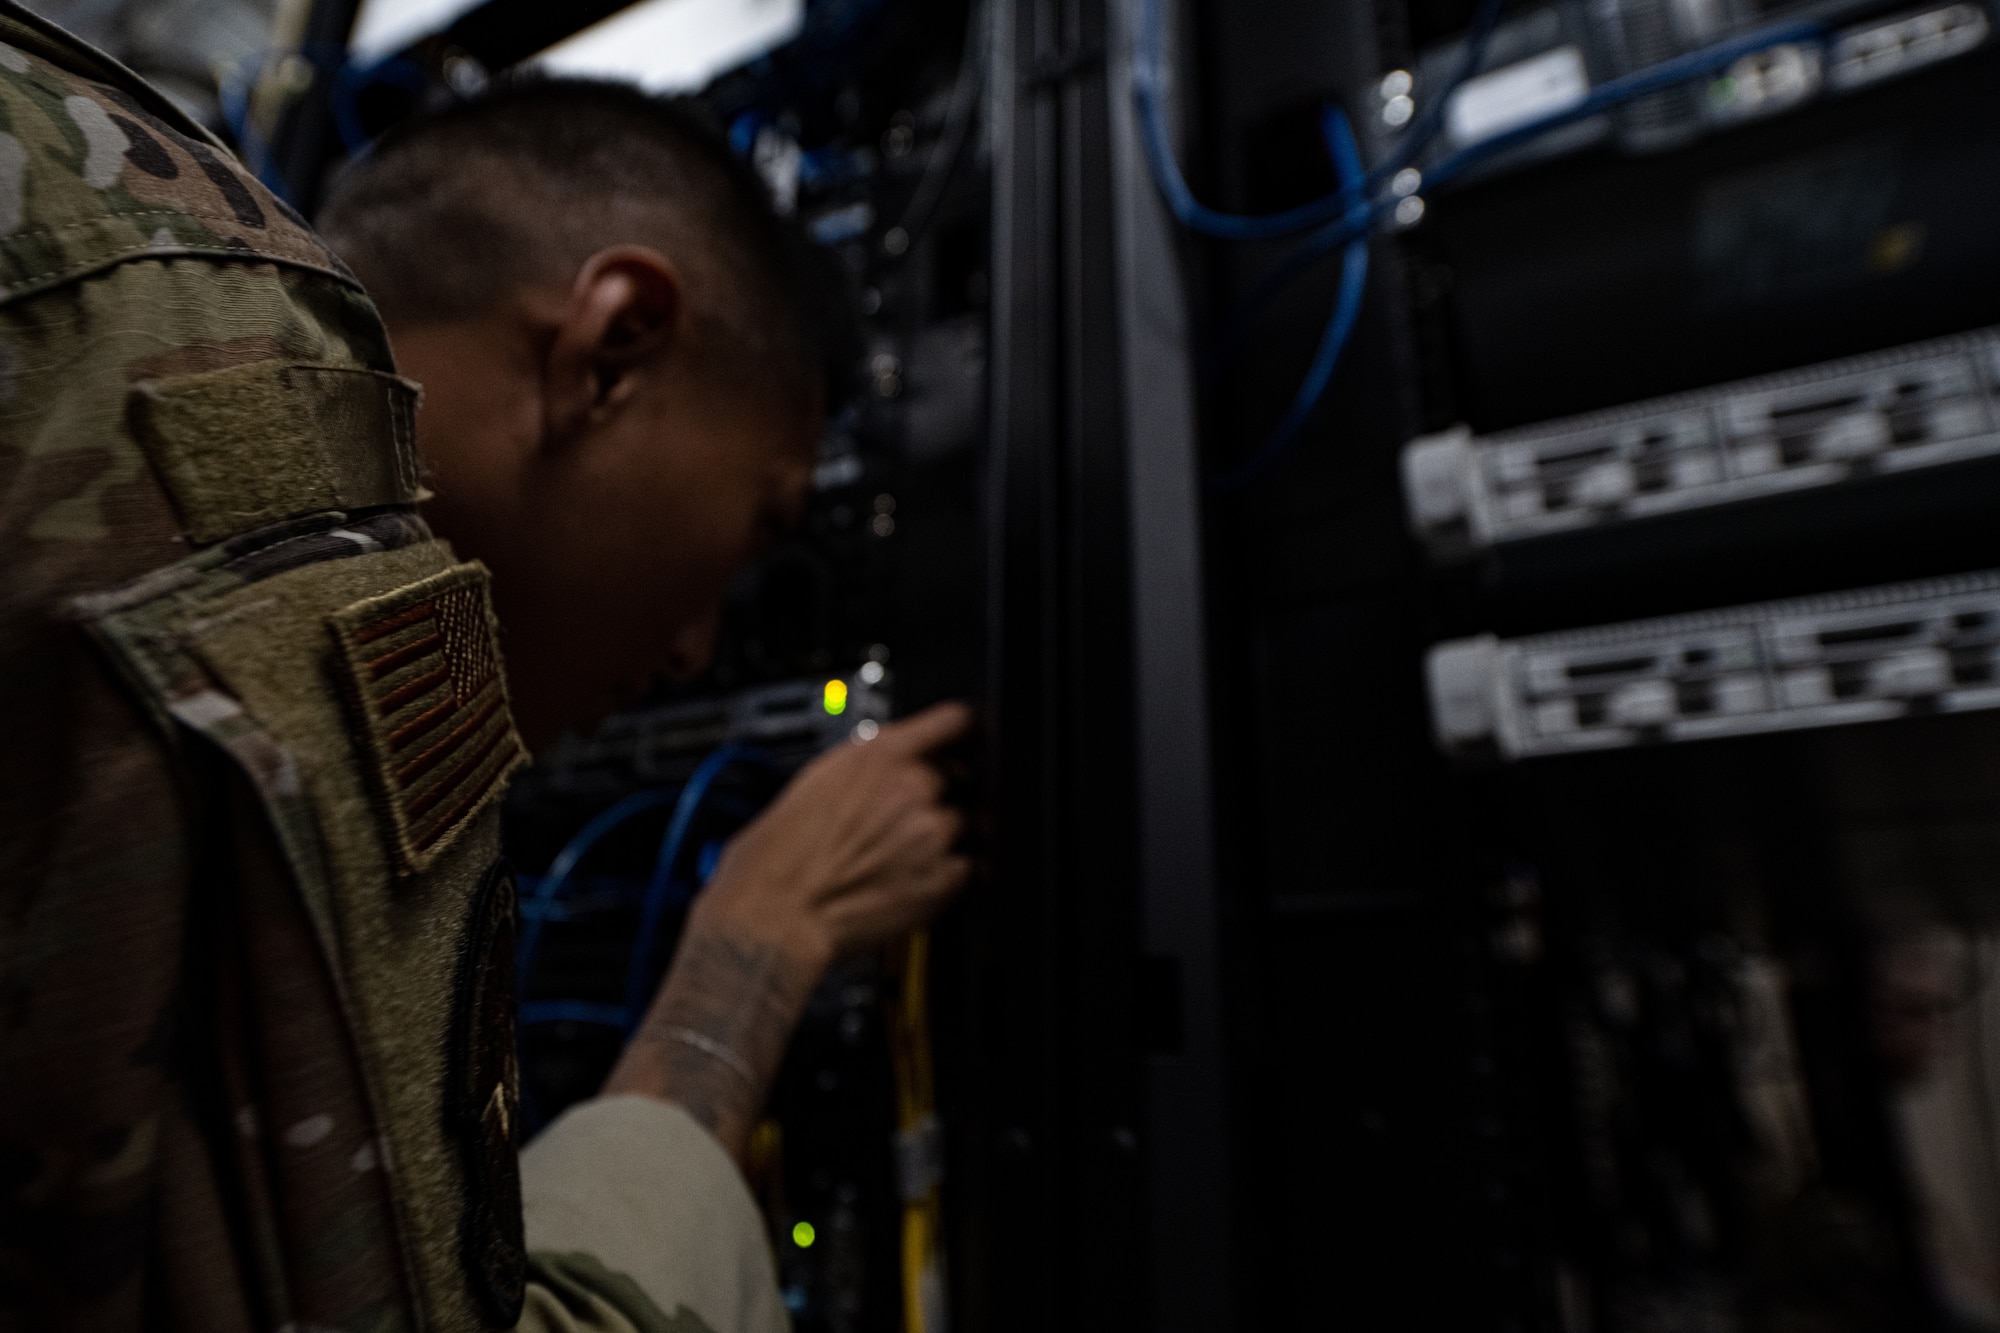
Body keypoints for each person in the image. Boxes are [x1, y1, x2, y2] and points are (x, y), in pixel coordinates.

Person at [0, 8, 969, 1331]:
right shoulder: (217, 395)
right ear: (614, 349)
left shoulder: (66, 199)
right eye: (761, 525)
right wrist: (752, 955)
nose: (696, 646)